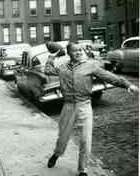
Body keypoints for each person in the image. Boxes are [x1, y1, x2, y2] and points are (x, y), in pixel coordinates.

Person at [44, 42, 138, 176]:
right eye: (75, 51)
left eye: (80, 50)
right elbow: (47, 70)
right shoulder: (63, 68)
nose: (79, 53)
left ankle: (83, 170)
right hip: (68, 106)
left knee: (85, 139)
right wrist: (52, 57)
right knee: (63, 137)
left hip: (84, 105)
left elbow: (110, 77)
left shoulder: (90, 66)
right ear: (69, 53)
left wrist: (127, 84)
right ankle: (56, 154)